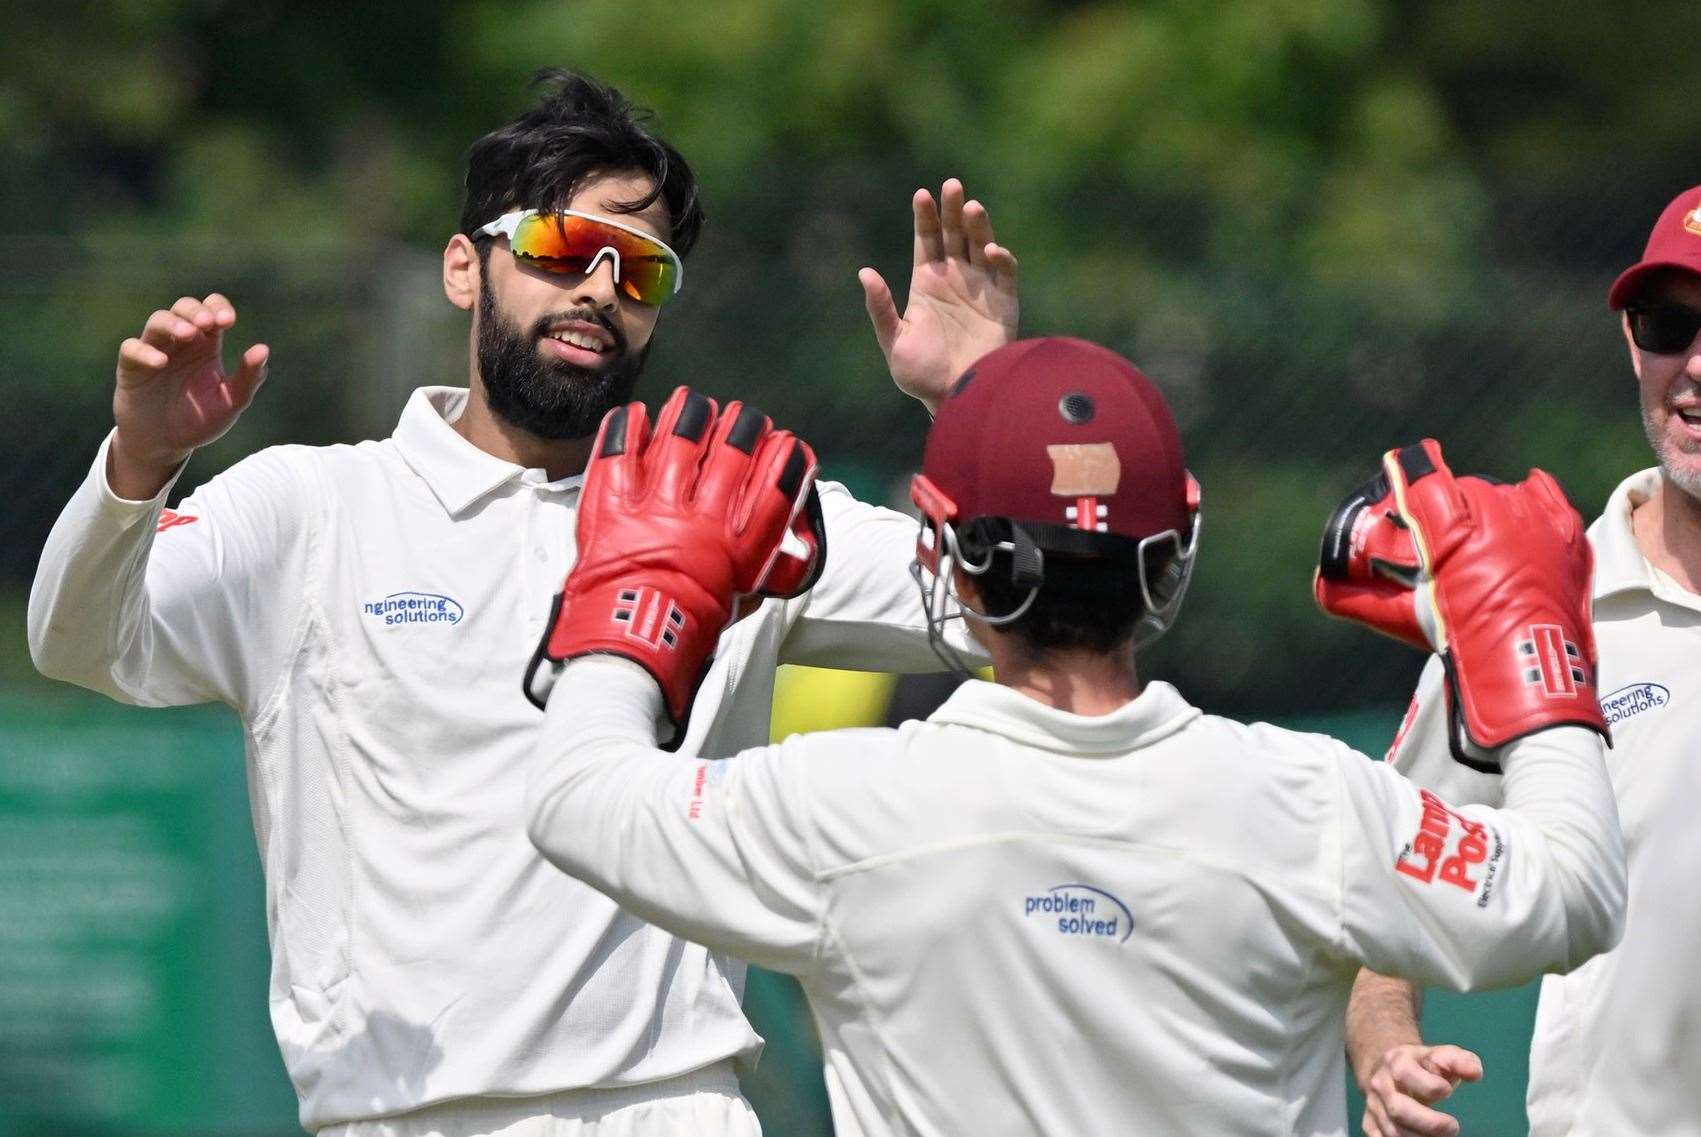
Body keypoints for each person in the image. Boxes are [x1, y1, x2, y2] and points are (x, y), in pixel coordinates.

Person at [27, 70, 1017, 1136]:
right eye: (557, 247)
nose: (599, 286)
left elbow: (998, 612)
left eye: (641, 268)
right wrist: (140, 462)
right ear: (466, 266)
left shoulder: (729, 505)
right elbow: (81, 644)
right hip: (392, 1114)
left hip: (670, 1107)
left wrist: (981, 404)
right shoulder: (314, 507)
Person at [523, 335, 1628, 1137]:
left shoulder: (841, 811)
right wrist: (1530, 645)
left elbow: (577, 798)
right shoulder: (1310, 806)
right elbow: (1573, 890)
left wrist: (643, 597)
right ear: (1176, 552)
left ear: (943, 552)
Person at [1347, 184, 1701, 1137]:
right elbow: (1382, 908)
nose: (1694, 364)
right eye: (1669, 323)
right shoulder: (1535, 609)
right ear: (1633, 343)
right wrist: (1385, 1053)